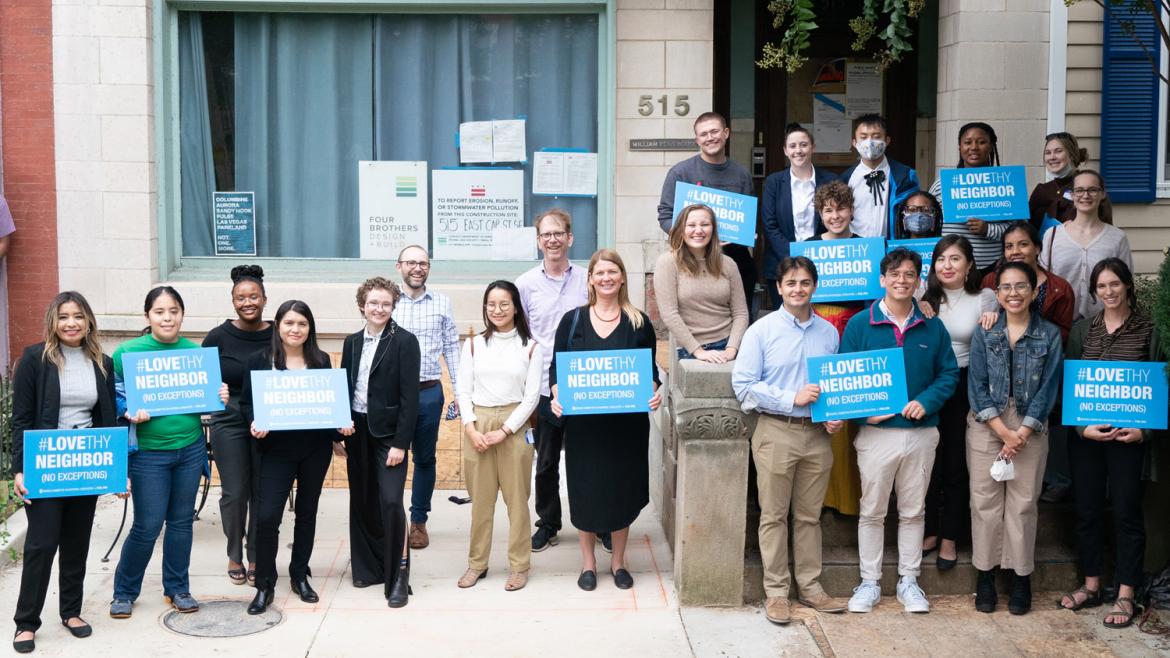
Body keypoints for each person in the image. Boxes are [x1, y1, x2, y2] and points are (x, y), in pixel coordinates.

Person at [732, 256, 848, 625]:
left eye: (805, 282)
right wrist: (790, 399)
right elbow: (743, 385)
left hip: (816, 436)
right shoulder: (761, 331)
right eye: (791, 282)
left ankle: (811, 588)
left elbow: (833, 385)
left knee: (809, 517)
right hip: (776, 430)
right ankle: (777, 592)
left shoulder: (829, 333)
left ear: (815, 287)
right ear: (779, 287)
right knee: (774, 515)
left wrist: (835, 414)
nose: (798, 289)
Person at [842, 249, 959, 614]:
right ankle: (869, 582)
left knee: (913, 511)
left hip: (921, 431)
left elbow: (949, 373)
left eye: (910, 274)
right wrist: (864, 415)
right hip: (877, 435)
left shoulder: (932, 325)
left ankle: (910, 581)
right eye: (895, 274)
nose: (902, 280)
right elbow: (844, 379)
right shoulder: (860, 324)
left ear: (918, 281)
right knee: (873, 510)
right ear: (882, 279)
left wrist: (927, 400)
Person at [110, 286, 230, 619]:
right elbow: (112, 398)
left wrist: (219, 394)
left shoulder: (194, 352)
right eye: (160, 311)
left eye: (174, 311)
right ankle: (124, 592)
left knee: (180, 523)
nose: (167, 317)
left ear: (182, 314)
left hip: (190, 451)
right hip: (149, 454)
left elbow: (207, 401)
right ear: (147, 316)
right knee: (147, 526)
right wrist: (128, 408)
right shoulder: (126, 353)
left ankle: (177, 588)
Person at [1059, 259, 1164, 629]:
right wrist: (1080, 429)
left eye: (1115, 284)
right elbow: (1070, 386)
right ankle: (1091, 584)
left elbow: (1161, 387)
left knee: (1126, 513)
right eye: (1101, 287)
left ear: (1128, 285)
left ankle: (1125, 593)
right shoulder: (1083, 331)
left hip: (1128, 438)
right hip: (1088, 438)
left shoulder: (1151, 329)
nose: (1109, 292)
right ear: (1094, 292)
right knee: (1086, 510)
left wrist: (1145, 432)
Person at [11, 292, 118, 653]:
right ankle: (26, 622)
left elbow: (107, 420)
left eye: (78, 316)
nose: (71, 323)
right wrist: (20, 470)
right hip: (46, 465)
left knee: (77, 542)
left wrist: (117, 471)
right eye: (63, 317)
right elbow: (22, 420)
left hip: (86, 464)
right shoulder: (34, 360)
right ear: (53, 323)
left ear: (88, 321)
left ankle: (71, 612)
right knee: (41, 545)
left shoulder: (102, 362)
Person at [550, 249, 662, 592]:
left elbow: (651, 372)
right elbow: (557, 368)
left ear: (623, 277)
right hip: (585, 428)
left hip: (625, 428)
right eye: (600, 273)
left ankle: (618, 562)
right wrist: (556, 395)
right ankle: (587, 564)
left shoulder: (638, 321)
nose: (606, 278)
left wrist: (654, 391)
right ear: (591, 279)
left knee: (621, 491)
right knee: (586, 491)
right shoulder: (571, 321)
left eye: (612, 272)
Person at [240, 300, 354, 615]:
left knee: (306, 514)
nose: (295, 329)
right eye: (289, 323)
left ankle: (299, 574)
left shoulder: (320, 361)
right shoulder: (260, 361)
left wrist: (340, 430)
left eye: (302, 324)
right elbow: (247, 403)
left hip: (313, 450)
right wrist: (253, 422)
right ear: (277, 326)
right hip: (274, 451)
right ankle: (264, 584)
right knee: (266, 518)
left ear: (309, 329)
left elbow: (328, 406)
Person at [967, 262, 1063, 616]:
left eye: (1021, 286)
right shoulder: (986, 332)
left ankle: (1021, 576)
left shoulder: (1049, 335)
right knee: (984, 501)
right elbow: (976, 385)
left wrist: (1021, 432)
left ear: (1034, 290)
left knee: (1023, 503)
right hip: (987, 422)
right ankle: (986, 575)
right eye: (1005, 287)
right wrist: (1003, 432)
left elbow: (1049, 387)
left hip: (1029, 423)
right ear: (998, 293)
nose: (1013, 294)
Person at [455, 281, 542, 591]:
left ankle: (519, 565)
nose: (497, 310)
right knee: (481, 502)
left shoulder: (531, 347)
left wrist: (505, 431)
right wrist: (470, 428)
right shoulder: (474, 345)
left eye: (504, 304)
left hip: (514, 425)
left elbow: (532, 397)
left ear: (516, 307)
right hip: (478, 423)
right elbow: (462, 390)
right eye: (491, 304)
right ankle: (477, 563)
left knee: (517, 501)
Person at [341, 277, 421, 607]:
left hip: (389, 435)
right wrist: (338, 431)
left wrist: (401, 444)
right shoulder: (351, 341)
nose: (379, 308)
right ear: (363, 304)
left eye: (386, 303)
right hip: (355, 430)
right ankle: (368, 568)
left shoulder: (404, 341)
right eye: (373, 303)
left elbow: (409, 399)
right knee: (362, 500)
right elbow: (344, 387)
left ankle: (399, 573)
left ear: (393, 306)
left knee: (390, 501)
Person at [516, 209, 589, 553]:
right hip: (545, 387)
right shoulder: (525, 284)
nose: (553, 240)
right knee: (545, 461)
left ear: (570, 237)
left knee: (588, 459)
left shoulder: (589, 279)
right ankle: (548, 523)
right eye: (546, 234)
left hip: (587, 385)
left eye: (558, 233)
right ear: (538, 241)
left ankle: (596, 522)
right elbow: (522, 337)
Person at [201, 265, 272, 586]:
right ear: (233, 301)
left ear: (264, 299)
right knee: (234, 492)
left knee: (262, 491)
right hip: (229, 419)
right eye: (241, 297)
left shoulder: (278, 332)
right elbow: (201, 381)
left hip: (268, 418)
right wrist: (215, 391)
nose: (248, 302)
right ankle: (234, 552)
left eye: (253, 296)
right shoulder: (217, 337)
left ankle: (257, 552)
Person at [919, 236, 982, 572]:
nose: (947, 265)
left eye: (955, 259)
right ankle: (928, 531)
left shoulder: (984, 298)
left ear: (969, 265)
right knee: (928, 461)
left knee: (956, 464)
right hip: (928, 386)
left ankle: (950, 537)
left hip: (964, 385)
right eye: (941, 259)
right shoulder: (923, 297)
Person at [392, 245, 459, 550]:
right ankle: (391, 520)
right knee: (391, 457)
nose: (417, 268)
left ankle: (418, 522)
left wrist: (460, 392)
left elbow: (452, 349)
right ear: (399, 266)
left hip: (429, 393)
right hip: (391, 396)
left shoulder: (442, 303)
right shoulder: (386, 302)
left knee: (425, 458)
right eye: (411, 263)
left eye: (423, 263)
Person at [657, 111, 756, 311]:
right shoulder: (681, 172)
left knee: (740, 317)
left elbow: (748, 220)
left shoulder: (742, 175)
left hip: (734, 260)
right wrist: (693, 235)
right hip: (692, 263)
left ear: (726, 133)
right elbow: (665, 216)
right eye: (704, 134)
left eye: (714, 132)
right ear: (697, 139)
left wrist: (747, 234)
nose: (710, 138)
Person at [806, 181, 864, 516]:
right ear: (820, 213)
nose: (835, 215)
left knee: (850, 411)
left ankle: (849, 498)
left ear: (851, 210)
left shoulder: (865, 247)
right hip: (819, 329)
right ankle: (824, 497)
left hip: (854, 331)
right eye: (828, 210)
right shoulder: (810, 247)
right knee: (823, 409)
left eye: (841, 208)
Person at [654, 204, 748, 362]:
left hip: (729, 347)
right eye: (691, 225)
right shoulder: (668, 262)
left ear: (713, 229)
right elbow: (669, 314)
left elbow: (741, 313)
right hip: (689, 350)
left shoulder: (728, 264)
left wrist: (732, 349)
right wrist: (698, 352)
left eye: (705, 224)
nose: (699, 230)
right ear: (680, 230)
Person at [760, 123, 838, 308]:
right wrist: (794, 259)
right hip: (782, 264)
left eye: (803, 145)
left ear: (813, 147)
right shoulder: (774, 182)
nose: (798, 150)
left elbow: (835, 221)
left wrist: (813, 257)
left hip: (822, 265)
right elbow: (770, 225)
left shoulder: (830, 180)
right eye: (792, 146)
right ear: (785, 151)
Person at [1042, 170, 1132, 321]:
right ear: (1072, 195)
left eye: (1092, 190)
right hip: (1059, 322)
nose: (1085, 195)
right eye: (1079, 190)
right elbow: (1042, 280)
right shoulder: (1052, 235)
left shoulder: (1117, 238)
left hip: (1104, 324)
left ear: (1102, 194)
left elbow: (1126, 284)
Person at [978, 221, 1075, 343]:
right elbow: (982, 321)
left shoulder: (1060, 288)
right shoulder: (990, 280)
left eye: (1023, 244)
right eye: (1009, 246)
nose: (1015, 251)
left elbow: (1063, 335)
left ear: (1037, 249)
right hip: (997, 352)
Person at [930, 122, 1008, 272]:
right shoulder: (943, 184)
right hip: (950, 268)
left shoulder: (1004, 183)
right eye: (967, 142)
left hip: (992, 267)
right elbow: (930, 224)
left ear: (991, 146)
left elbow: (1017, 231)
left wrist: (988, 229)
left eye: (981, 142)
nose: (974, 147)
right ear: (960, 147)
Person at [840, 113, 920, 239]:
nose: (870, 142)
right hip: (856, 249)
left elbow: (913, 214)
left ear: (887, 141)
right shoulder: (845, 179)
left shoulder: (904, 176)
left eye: (876, 137)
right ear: (854, 143)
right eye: (863, 137)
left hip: (892, 249)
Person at [1029, 132, 1112, 229]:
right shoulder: (1041, 191)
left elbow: (1105, 226)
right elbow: (1027, 230)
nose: (1052, 157)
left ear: (1071, 155)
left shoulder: (1090, 187)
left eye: (1058, 151)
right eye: (1048, 153)